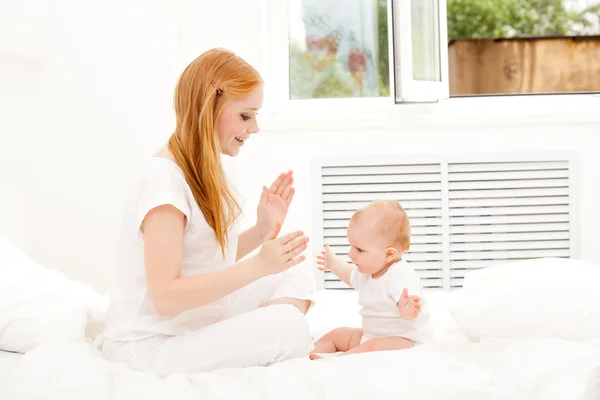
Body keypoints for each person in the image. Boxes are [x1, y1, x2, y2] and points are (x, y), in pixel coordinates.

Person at [101, 48, 316, 375]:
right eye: (246, 115)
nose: (255, 127)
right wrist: (260, 264)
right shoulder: (163, 182)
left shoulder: (201, 170)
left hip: (190, 322)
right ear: (209, 108)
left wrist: (261, 232)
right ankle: (265, 342)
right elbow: (166, 298)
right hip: (148, 348)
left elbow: (204, 261)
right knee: (287, 325)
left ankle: (253, 344)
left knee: (294, 273)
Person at [309, 200, 432, 359]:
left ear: (388, 254)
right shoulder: (366, 272)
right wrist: (333, 264)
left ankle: (340, 359)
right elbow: (349, 274)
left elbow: (411, 310)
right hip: (370, 336)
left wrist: (407, 307)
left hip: (403, 342)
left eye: (359, 249)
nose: (350, 254)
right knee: (338, 334)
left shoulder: (401, 275)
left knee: (372, 347)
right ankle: (307, 351)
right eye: (351, 246)